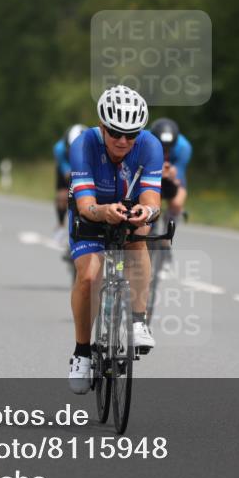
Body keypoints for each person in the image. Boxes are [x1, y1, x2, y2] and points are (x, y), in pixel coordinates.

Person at [67, 85, 163, 394]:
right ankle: (82, 352)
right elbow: (85, 206)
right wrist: (103, 211)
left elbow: (152, 199)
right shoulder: (83, 145)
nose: (123, 140)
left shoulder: (150, 146)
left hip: (127, 208)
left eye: (130, 134)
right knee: (89, 276)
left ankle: (138, 320)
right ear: (102, 127)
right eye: (115, 133)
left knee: (139, 238)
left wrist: (145, 213)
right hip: (93, 211)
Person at [149, 118, 192, 222]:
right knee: (151, 202)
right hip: (149, 173)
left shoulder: (184, 147)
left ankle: (168, 229)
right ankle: (151, 225)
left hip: (171, 176)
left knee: (177, 204)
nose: (165, 152)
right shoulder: (144, 140)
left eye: (168, 148)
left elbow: (179, 174)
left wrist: (172, 176)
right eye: (161, 148)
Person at [52, 124, 88, 245]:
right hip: (66, 169)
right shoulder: (59, 149)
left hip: (85, 166)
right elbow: (67, 173)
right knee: (62, 197)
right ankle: (61, 226)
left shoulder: (94, 147)